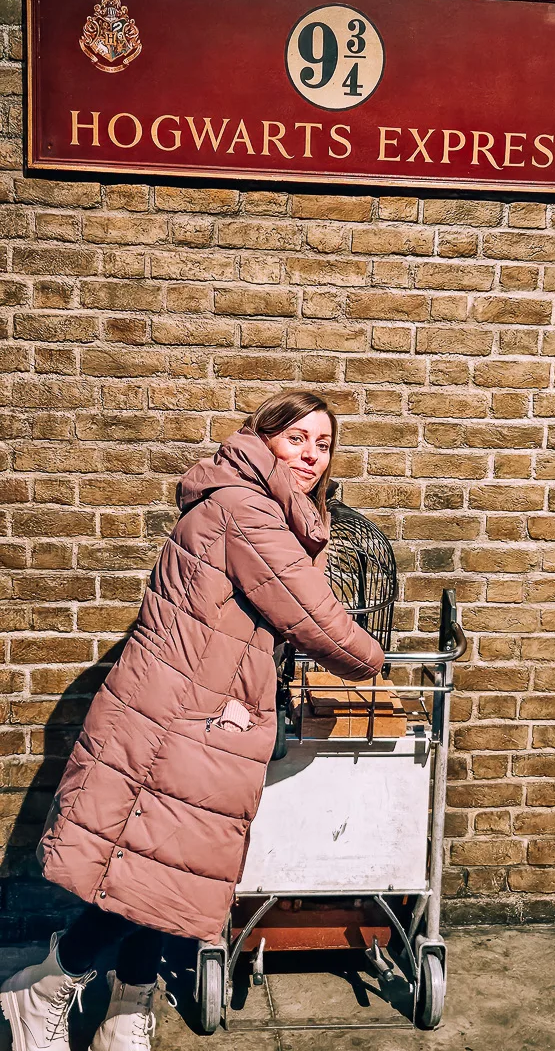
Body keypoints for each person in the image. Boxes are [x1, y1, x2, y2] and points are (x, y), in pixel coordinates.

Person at [1, 391, 384, 1051]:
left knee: (170, 876)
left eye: (323, 444)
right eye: (296, 439)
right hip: (180, 719)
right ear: (263, 439)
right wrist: (375, 654)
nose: (311, 456)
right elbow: (323, 622)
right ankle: (43, 990)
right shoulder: (246, 510)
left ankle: (126, 1010)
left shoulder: (257, 507)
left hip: (205, 717)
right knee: (145, 877)